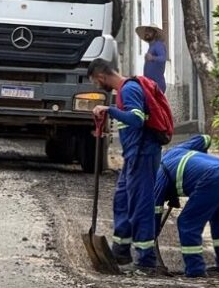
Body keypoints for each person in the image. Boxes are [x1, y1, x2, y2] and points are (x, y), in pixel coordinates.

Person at [88, 58, 163, 274]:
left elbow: (137, 119)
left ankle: (146, 260)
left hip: (143, 155)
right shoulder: (123, 92)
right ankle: (121, 250)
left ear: (101, 77)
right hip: (132, 156)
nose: (96, 85)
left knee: (140, 206)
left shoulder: (128, 90)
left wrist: (109, 110)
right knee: (121, 200)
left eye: (95, 81)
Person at [154, 134, 219, 278]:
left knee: (187, 222)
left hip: (213, 177)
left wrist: (151, 232)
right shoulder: (174, 151)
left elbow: (155, 208)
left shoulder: (157, 170)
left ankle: (195, 269)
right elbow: (205, 138)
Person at [136, 23, 167, 92]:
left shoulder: (158, 45)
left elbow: (163, 58)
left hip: (156, 85)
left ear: (155, 34)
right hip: (150, 85)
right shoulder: (151, 46)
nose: (147, 33)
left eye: (150, 31)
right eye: (146, 31)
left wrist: (152, 58)